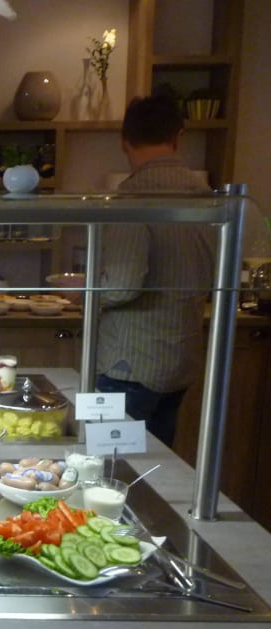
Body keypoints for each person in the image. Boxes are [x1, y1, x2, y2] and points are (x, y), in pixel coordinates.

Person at [95, 94, 215, 447]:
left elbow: (121, 286)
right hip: (181, 361)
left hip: (130, 364)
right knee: (157, 464)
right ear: (177, 137)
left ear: (125, 141)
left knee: (109, 462)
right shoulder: (205, 195)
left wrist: (83, 291)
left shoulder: (132, 196)